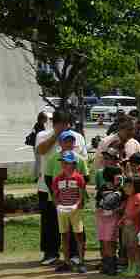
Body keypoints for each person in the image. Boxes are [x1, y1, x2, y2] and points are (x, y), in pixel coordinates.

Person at [35, 110, 86, 266]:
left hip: (71, 188)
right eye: (61, 124)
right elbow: (41, 151)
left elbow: (83, 159)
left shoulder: (77, 137)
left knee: (74, 222)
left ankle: (76, 254)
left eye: (67, 124)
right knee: (49, 221)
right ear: (54, 123)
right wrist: (56, 135)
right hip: (47, 186)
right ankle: (50, 252)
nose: (65, 127)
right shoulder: (42, 135)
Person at [51, 151, 88, 273]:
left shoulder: (79, 178)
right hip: (62, 210)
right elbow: (55, 195)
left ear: (73, 164)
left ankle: (82, 262)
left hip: (75, 211)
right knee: (64, 236)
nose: (64, 164)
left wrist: (76, 205)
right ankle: (66, 262)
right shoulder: (57, 179)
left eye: (67, 162)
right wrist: (58, 206)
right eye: (63, 162)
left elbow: (81, 196)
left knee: (79, 236)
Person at [95, 166, 124, 275]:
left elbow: (123, 202)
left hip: (113, 218)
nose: (119, 177)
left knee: (110, 241)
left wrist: (117, 209)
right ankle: (106, 263)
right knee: (104, 241)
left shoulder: (120, 189)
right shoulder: (103, 188)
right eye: (117, 175)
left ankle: (112, 265)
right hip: (102, 218)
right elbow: (98, 203)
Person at [118, 176, 140, 278]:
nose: (126, 188)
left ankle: (137, 267)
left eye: (129, 186)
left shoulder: (138, 196)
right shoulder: (129, 197)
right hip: (127, 226)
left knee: (135, 248)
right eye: (125, 186)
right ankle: (130, 266)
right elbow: (126, 212)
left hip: (135, 227)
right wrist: (121, 220)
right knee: (129, 247)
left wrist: (130, 216)